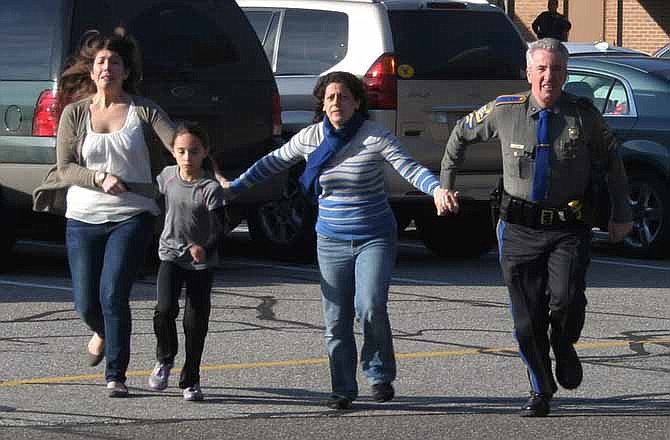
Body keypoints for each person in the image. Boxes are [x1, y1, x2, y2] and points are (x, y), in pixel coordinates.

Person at [220, 71, 450, 410]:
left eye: (343, 97)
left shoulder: (374, 136)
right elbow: (272, 163)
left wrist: (436, 190)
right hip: (331, 238)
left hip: (375, 236)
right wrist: (234, 188)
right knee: (336, 318)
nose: (336, 103)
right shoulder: (310, 138)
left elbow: (409, 167)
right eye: (330, 98)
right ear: (322, 104)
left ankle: (379, 373)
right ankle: (342, 388)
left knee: (370, 306)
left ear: (357, 102)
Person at [439, 38, 633, 417]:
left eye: (557, 69)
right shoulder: (503, 111)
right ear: (528, 73)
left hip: (568, 228)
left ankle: (563, 343)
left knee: (567, 301)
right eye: (541, 69)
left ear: (566, 74)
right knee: (527, 320)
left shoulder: (583, 116)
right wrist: (446, 184)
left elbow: (613, 164)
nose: (549, 77)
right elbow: (460, 134)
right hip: (518, 229)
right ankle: (540, 388)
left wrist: (622, 215)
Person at [32, 29, 175, 397]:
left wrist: (199, 169)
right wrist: (98, 178)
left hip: (132, 214)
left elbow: (177, 143)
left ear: (126, 71)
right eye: (101, 62)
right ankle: (100, 332)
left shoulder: (144, 110)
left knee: (113, 295)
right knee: (85, 302)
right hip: (82, 217)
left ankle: (116, 375)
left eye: (114, 62)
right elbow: (64, 168)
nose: (107, 67)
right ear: (92, 71)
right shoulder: (75, 113)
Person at [147, 122, 226, 401]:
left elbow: (220, 227)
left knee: (195, 322)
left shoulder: (209, 188)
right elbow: (148, 196)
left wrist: (205, 247)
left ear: (204, 152)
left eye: (193, 152)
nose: (187, 158)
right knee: (165, 309)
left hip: (200, 263)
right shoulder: (167, 177)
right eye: (181, 151)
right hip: (170, 253)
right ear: (173, 152)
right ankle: (165, 359)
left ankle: (191, 378)